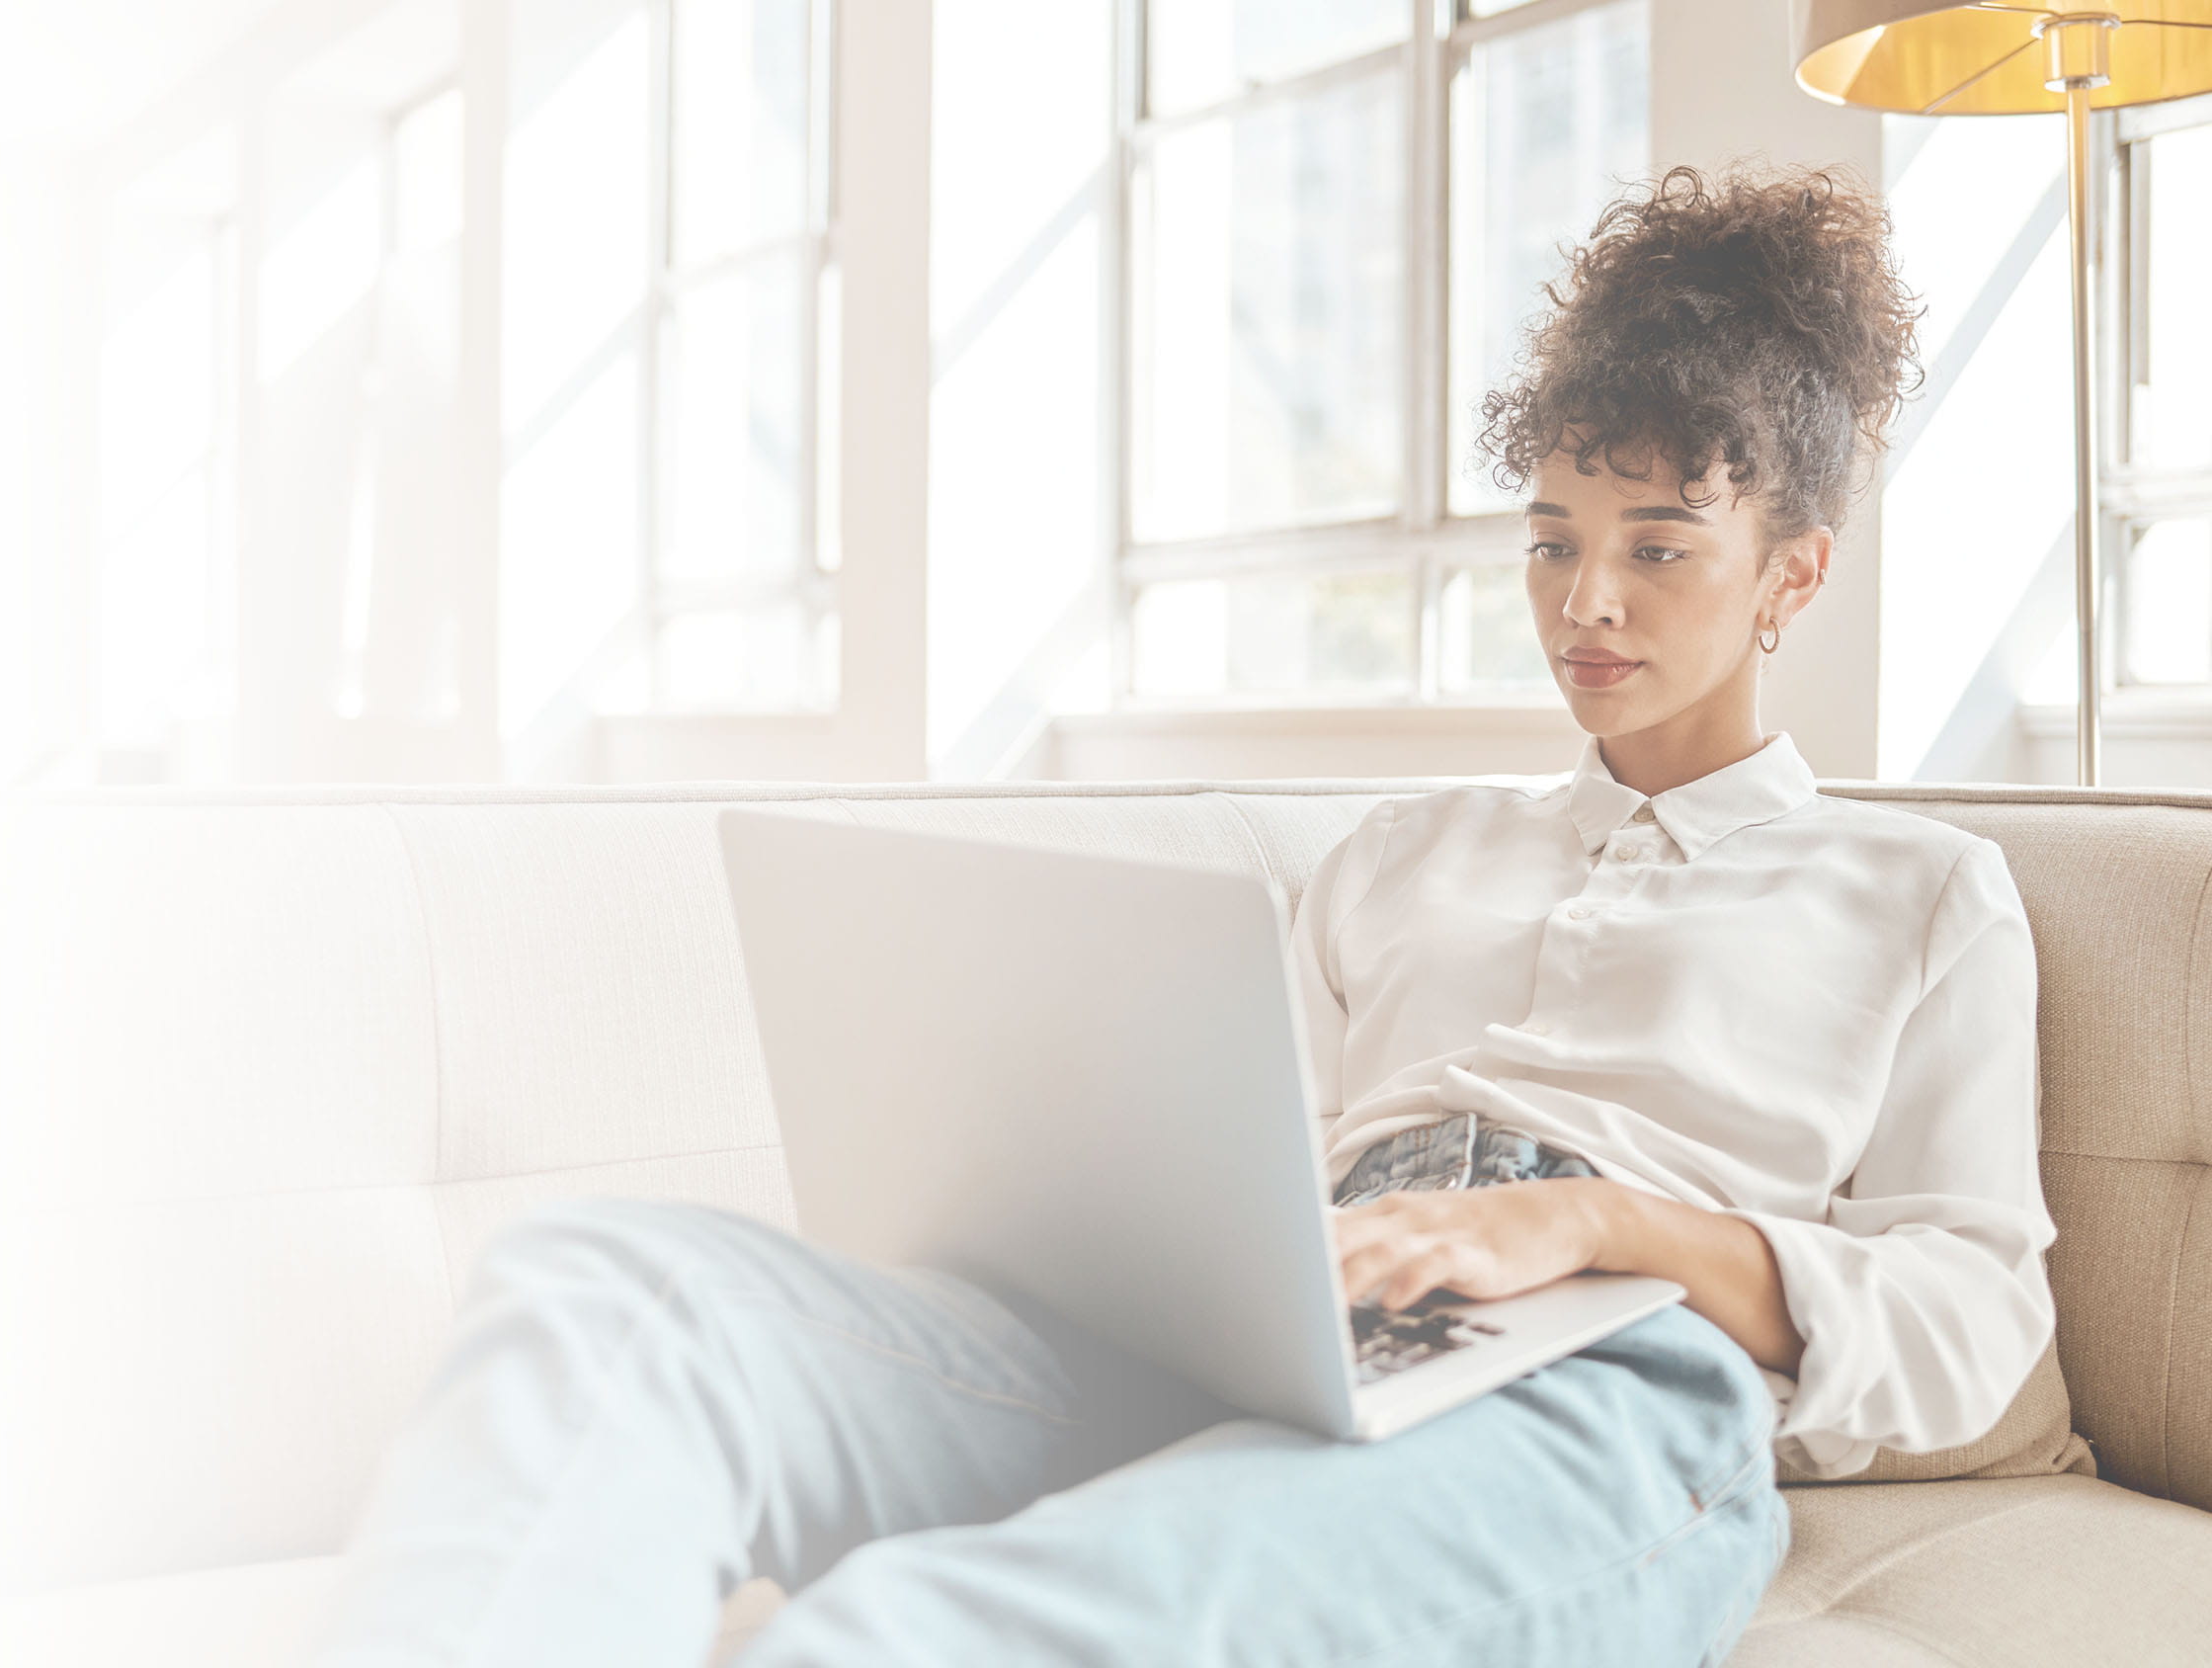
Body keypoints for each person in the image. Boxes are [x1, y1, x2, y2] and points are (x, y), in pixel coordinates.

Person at [302, 164, 2057, 1667]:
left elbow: (1976, 1325)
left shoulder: (1916, 894)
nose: (1584, 602)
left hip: (1601, 1391)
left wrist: (1593, 1224)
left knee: (926, 1628)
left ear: (1794, 574)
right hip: (1268, 1336)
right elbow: (1239, 1163)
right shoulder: (1402, 851)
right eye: (1549, 538)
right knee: (613, 1295)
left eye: (1659, 547)